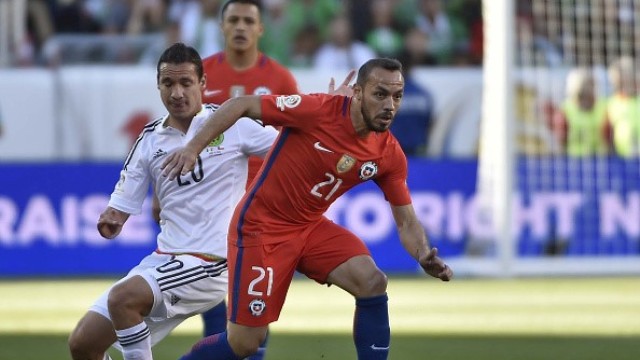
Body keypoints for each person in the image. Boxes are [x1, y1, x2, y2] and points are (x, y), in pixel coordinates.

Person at [162, 57, 453, 360]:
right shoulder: (317, 110)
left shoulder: (389, 154)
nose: (390, 105)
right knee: (245, 343)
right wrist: (193, 147)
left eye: (397, 96)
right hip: (262, 227)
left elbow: (406, 222)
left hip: (310, 227)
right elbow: (241, 105)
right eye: (380, 94)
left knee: (372, 282)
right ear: (357, 93)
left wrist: (422, 253)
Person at [67, 42, 279, 360]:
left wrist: (339, 117)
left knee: (123, 298)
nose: (177, 93)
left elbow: (290, 149)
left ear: (202, 85)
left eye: (185, 83)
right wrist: (111, 218)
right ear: (158, 87)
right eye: (168, 84)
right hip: (165, 259)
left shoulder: (233, 126)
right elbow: (122, 203)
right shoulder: (150, 138)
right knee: (83, 344)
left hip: (213, 261)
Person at [154, 0, 299, 348]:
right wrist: (160, 191)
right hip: (210, 199)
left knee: (252, 300)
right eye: (233, 19)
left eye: (249, 21)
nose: (240, 27)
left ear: (260, 29)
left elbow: (296, 139)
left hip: (261, 203)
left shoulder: (280, 79)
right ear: (221, 27)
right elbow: (174, 132)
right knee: (214, 301)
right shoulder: (201, 74)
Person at [548, 67, 610, 156]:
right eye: (581, 94)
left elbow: (609, 137)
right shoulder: (565, 110)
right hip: (574, 161)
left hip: (601, 160)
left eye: (588, 91)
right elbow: (560, 140)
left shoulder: (603, 107)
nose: (585, 97)